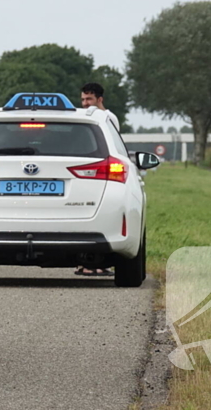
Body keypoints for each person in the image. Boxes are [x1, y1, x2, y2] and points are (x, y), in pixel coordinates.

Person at [78, 82, 117, 277]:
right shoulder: (81, 117)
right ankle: (87, 265)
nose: (85, 103)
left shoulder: (109, 119)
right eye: (83, 99)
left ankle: (100, 265)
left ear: (100, 99)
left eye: (89, 99)